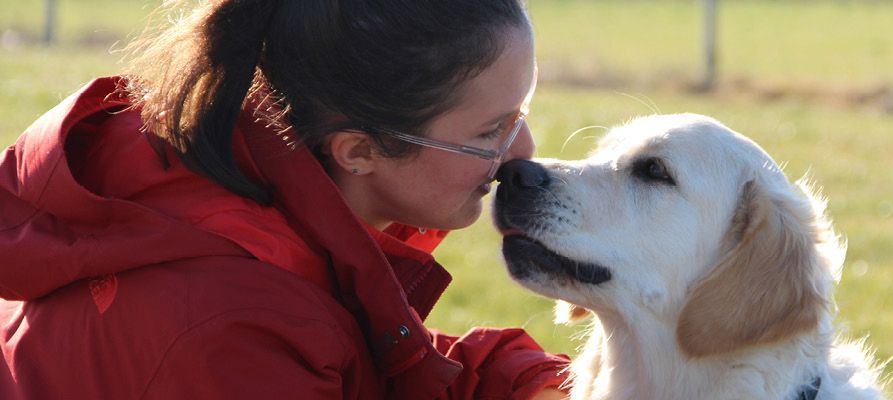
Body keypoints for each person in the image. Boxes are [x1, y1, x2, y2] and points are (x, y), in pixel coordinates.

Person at [0, 0, 569, 399]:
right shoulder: (234, 321)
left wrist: (542, 385)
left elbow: (380, 372)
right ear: (358, 151)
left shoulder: (246, 190)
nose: (523, 151)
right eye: (490, 130)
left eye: (521, 113)